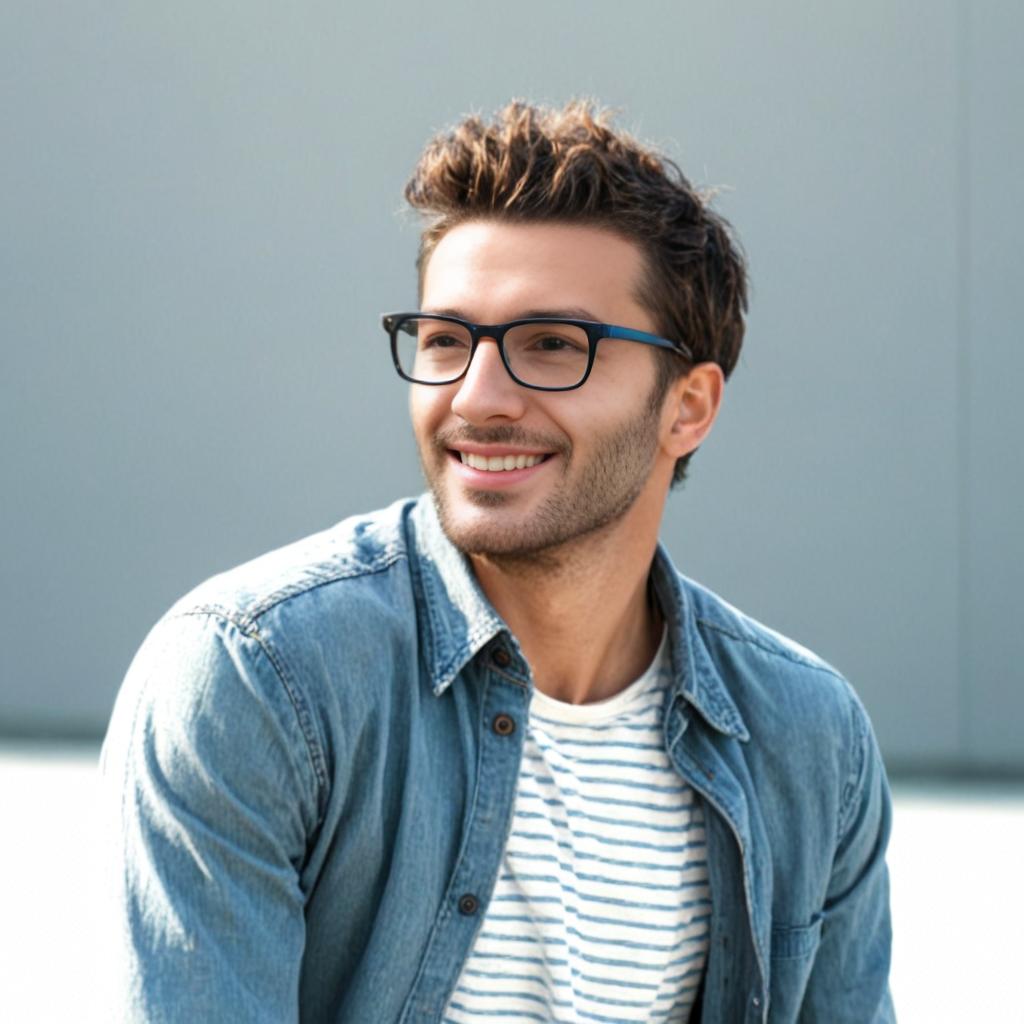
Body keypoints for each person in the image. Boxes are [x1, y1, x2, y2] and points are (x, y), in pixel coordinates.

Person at [102, 100, 895, 1023]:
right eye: (445, 341)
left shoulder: (809, 739)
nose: (476, 399)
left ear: (688, 407)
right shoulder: (258, 678)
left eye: (552, 345)